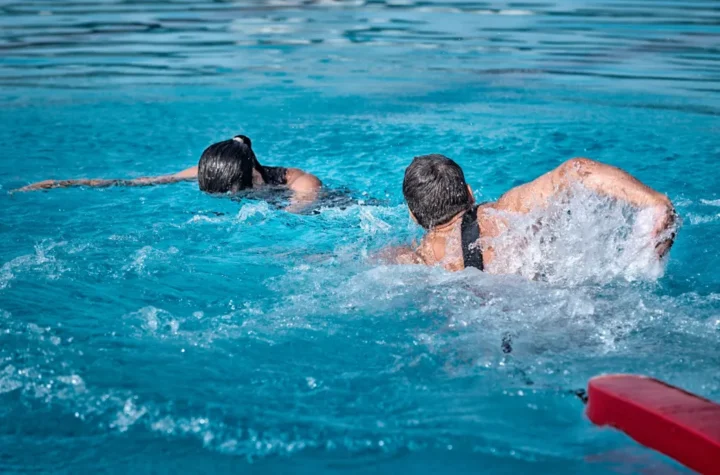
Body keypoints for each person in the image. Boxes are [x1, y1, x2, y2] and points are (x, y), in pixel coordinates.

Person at [391, 154, 677, 273]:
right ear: (469, 193)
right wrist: (654, 201)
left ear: (414, 216)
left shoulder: (413, 260)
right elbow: (577, 170)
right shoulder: (504, 215)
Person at [14, 135, 322, 209]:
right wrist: (64, 183)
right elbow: (140, 182)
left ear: (255, 175)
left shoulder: (300, 183)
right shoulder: (203, 171)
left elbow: (299, 212)